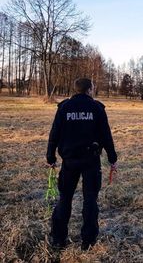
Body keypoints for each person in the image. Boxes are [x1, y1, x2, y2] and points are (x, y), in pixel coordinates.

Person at [46, 78, 117, 250]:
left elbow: (54, 133)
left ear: (76, 90)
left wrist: (50, 157)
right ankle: (88, 241)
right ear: (89, 90)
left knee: (65, 199)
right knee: (90, 200)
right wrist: (112, 158)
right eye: (92, 88)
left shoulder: (64, 107)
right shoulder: (97, 108)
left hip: (69, 161)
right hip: (91, 161)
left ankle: (58, 239)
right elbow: (106, 134)